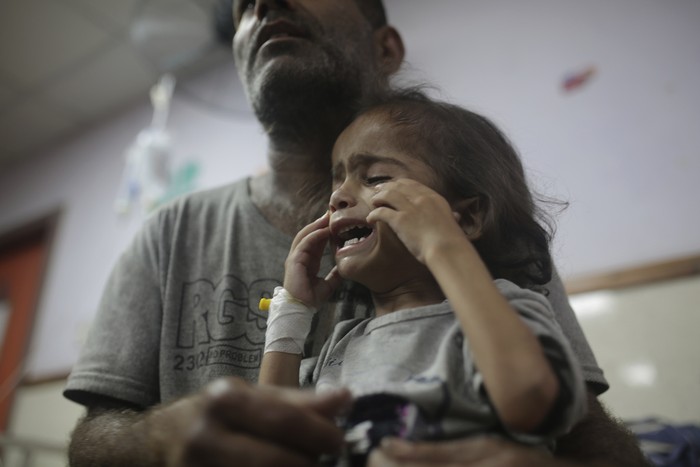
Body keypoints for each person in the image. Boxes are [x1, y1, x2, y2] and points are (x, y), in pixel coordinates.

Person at [63, 1, 649, 466]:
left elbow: (575, 428)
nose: (261, 5)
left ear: (385, 46)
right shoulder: (171, 232)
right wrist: (159, 438)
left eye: (376, 176)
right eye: (242, 8)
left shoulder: (494, 268)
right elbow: (96, 440)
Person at [258, 90, 589, 465]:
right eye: (337, 183)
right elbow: (273, 441)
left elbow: (531, 402)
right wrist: (293, 308)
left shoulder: (503, 309)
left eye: (375, 177)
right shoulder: (342, 343)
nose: (338, 198)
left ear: (465, 218)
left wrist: (442, 244)